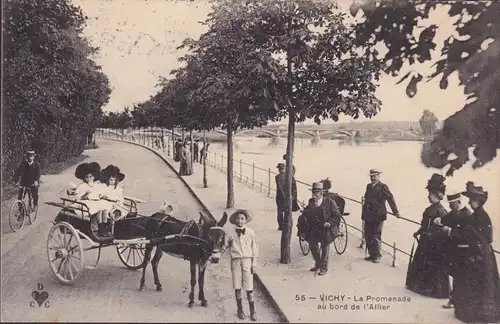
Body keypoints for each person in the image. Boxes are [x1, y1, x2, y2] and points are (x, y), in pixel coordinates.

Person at [435, 183, 500, 323]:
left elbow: (475, 236)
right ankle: (472, 311)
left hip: (479, 254)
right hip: (482, 253)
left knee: (479, 283)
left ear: (477, 201)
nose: (469, 202)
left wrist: (451, 232)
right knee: (478, 283)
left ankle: (477, 314)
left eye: (471, 200)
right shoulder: (478, 214)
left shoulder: (480, 216)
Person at [405, 174, 450, 298]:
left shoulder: (440, 211)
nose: (428, 196)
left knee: (431, 265)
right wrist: (419, 232)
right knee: (423, 263)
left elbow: (441, 229)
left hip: (433, 243)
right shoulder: (432, 209)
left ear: (436, 195)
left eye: (430, 194)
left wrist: (429, 234)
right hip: (426, 240)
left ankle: (432, 290)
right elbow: (425, 225)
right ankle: (421, 287)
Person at [302, 182, 342, 275]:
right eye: (313, 192)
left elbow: (337, 216)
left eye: (316, 192)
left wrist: (329, 223)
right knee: (312, 245)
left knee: (324, 247)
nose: (314, 194)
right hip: (314, 228)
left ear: (321, 193)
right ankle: (318, 263)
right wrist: (305, 212)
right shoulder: (311, 201)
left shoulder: (330, 203)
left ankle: (323, 267)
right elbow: (309, 212)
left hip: (325, 229)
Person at [226, 209, 259, 321]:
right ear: (235, 220)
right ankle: (240, 309)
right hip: (235, 261)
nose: (240, 221)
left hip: (247, 261)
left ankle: (252, 311)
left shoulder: (250, 232)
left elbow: (255, 249)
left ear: (245, 220)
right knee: (237, 286)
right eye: (238, 218)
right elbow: (225, 247)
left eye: (242, 219)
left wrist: (254, 264)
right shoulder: (230, 233)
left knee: (249, 287)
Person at [361, 169, 400, 263]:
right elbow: (366, 200)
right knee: (368, 235)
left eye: (374, 176)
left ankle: (377, 255)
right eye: (371, 176)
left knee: (376, 235)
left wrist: (396, 212)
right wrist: (363, 214)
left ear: (379, 176)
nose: (373, 178)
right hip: (369, 215)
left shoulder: (383, 187)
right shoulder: (369, 186)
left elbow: (390, 198)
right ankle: (371, 254)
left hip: (378, 215)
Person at [441, 191, 472, 309]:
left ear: (458, 202)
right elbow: (445, 220)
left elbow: (466, 236)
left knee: (461, 276)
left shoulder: (468, 215)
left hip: (464, 250)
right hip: (454, 250)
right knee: (455, 275)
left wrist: (449, 231)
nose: (449, 207)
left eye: (451, 204)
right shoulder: (455, 213)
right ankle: (454, 299)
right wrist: (439, 221)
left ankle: (456, 300)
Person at [67, 162, 111, 238]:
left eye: (91, 177)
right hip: (85, 202)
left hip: (95, 201)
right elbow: (79, 197)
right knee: (99, 209)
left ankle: (105, 228)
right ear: (84, 178)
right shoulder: (82, 186)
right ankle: (100, 229)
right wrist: (86, 195)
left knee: (105, 208)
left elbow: (100, 193)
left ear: (94, 177)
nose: (89, 179)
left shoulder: (96, 184)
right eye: (87, 177)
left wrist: (102, 195)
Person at [100, 165, 126, 234]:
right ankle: (106, 228)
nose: (112, 182)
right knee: (107, 210)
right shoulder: (104, 186)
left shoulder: (118, 188)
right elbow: (100, 195)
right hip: (107, 203)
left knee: (122, 211)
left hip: (116, 204)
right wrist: (103, 196)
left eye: (114, 180)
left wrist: (118, 202)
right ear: (107, 179)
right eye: (111, 180)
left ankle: (120, 227)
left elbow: (121, 198)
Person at [275, 163, 286, 230]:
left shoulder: (277, 177)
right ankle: (286, 225)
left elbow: (279, 187)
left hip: (279, 197)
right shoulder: (288, 176)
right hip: (287, 197)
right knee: (286, 212)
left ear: (279, 169)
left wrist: (282, 195)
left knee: (280, 212)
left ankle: (281, 226)